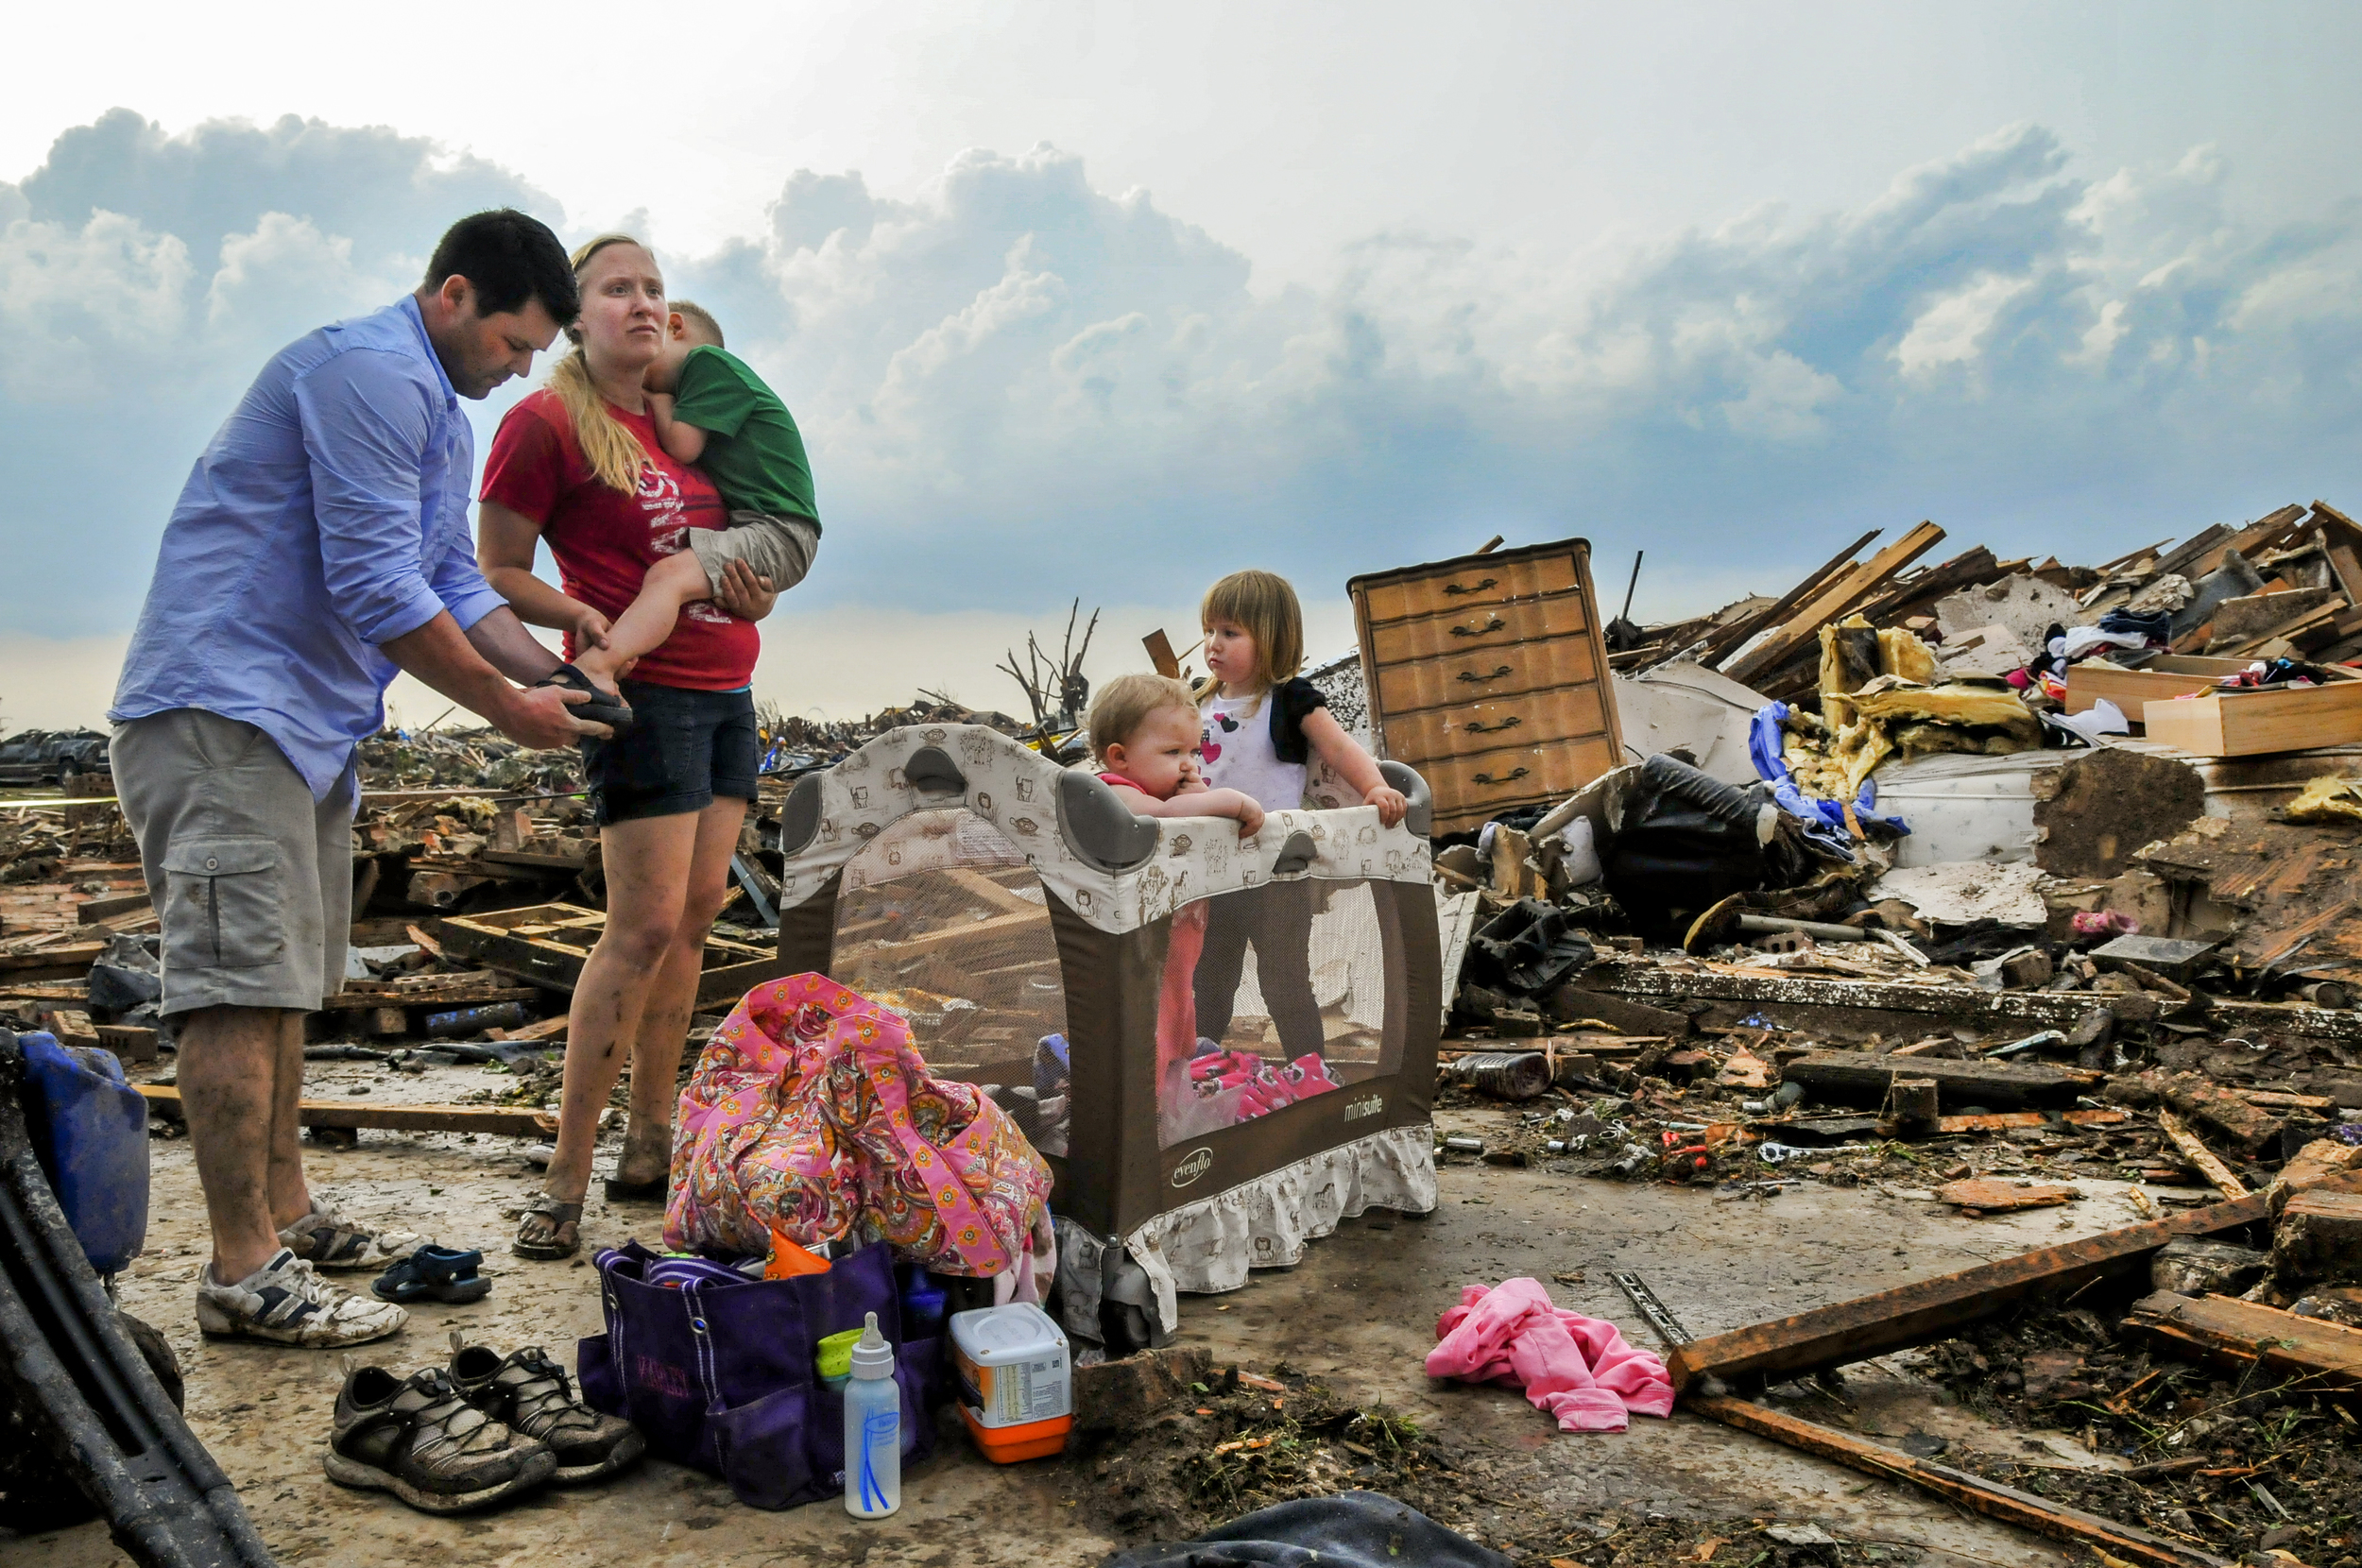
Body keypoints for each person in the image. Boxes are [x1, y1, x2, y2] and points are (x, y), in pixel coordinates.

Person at [108, 209, 600, 1348]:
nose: (520, 368)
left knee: (284, 981)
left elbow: (448, 576)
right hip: (226, 704)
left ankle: (288, 1216)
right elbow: (380, 586)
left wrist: (564, 675)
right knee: (233, 985)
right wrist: (506, 709)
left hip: (300, 724)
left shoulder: (436, 407)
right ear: (455, 295)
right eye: (515, 344)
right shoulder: (370, 372)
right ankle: (242, 1273)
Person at [476, 235, 780, 1261]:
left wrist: (753, 591)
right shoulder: (547, 419)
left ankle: (652, 1148)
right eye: (618, 289)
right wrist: (585, 618)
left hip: (728, 688)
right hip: (642, 698)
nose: (644, 303)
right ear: (577, 315)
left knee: (694, 920)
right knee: (638, 928)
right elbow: (494, 568)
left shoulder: (687, 421)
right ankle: (564, 1178)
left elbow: (755, 559)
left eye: (654, 287)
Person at [559, 300, 820, 712]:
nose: (643, 379)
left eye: (648, 366)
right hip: (767, 528)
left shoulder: (708, 363)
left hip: (780, 528)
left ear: (675, 328)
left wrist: (659, 399)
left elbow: (683, 445)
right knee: (678, 577)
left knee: (670, 576)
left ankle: (599, 664)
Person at [1190, 571, 1409, 1060]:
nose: (1213, 645)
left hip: (1277, 871)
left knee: (1284, 978)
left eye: (1230, 633)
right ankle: (1199, 1070)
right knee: (1211, 978)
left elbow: (1339, 746)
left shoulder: (1288, 699)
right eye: (1208, 631)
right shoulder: (1197, 702)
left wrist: (1375, 786)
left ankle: (1310, 1074)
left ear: (1271, 638)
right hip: (1213, 869)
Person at [1084, 673, 1264, 1143]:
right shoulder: (1111, 791)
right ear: (1120, 756)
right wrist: (1223, 799)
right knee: (1152, 1043)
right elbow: (1156, 819)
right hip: (1143, 959)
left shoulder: (1172, 794)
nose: (1187, 764)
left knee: (1181, 1039)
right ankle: (1139, 1135)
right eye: (1172, 753)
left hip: (1179, 959)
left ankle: (1170, 1123)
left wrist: (1197, 793)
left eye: (1193, 752)